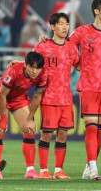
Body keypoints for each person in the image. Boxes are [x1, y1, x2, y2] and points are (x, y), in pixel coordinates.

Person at [39, 0, 101, 180]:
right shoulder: (82, 32)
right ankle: (93, 168)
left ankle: (89, 166)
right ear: (96, 11)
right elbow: (63, 44)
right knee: (92, 128)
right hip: (88, 86)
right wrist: (46, 40)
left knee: (100, 131)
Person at [33, 13, 80, 180]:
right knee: (46, 134)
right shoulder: (43, 46)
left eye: (67, 24)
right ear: (52, 26)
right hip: (49, 97)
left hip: (66, 97)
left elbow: (79, 65)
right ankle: (43, 170)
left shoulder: (71, 47)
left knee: (63, 134)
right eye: (61, 24)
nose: (65, 27)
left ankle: (59, 169)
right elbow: (32, 63)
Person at [0, 51, 47, 179]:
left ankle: (30, 170)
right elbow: (2, 95)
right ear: (26, 65)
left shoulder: (43, 74)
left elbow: (37, 96)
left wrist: (30, 118)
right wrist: (4, 119)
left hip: (18, 98)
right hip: (0, 95)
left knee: (29, 130)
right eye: (32, 67)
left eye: (38, 68)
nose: (35, 71)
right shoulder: (14, 71)